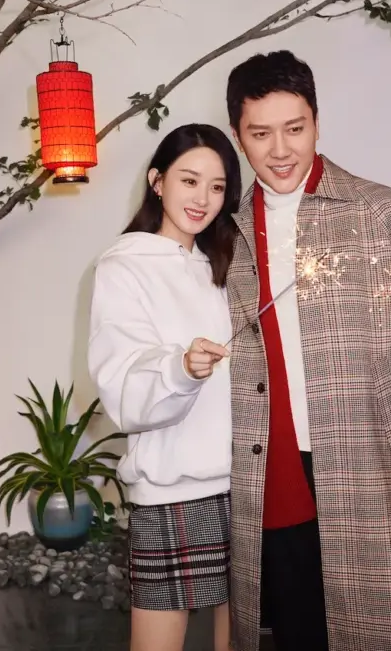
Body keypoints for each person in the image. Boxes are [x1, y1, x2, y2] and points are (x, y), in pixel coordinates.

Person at [224, 50, 391, 651]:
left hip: (368, 459)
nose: (280, 150)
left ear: (318, 123)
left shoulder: (384, 213)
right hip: (270, 465)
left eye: (294, 128)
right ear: (238, 136)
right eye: (260, 134)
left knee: (386, 625)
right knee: (296, 630)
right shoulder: (226, 234)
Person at [88, 123, 242, 651]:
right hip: (173, 489)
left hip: (245, 483)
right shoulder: (123, 266)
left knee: (240, 639)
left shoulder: (226, 266)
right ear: (157, 181)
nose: (202, 199)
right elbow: (121, 385)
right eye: (189, 180)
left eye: (217, 187)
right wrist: (181, 368)